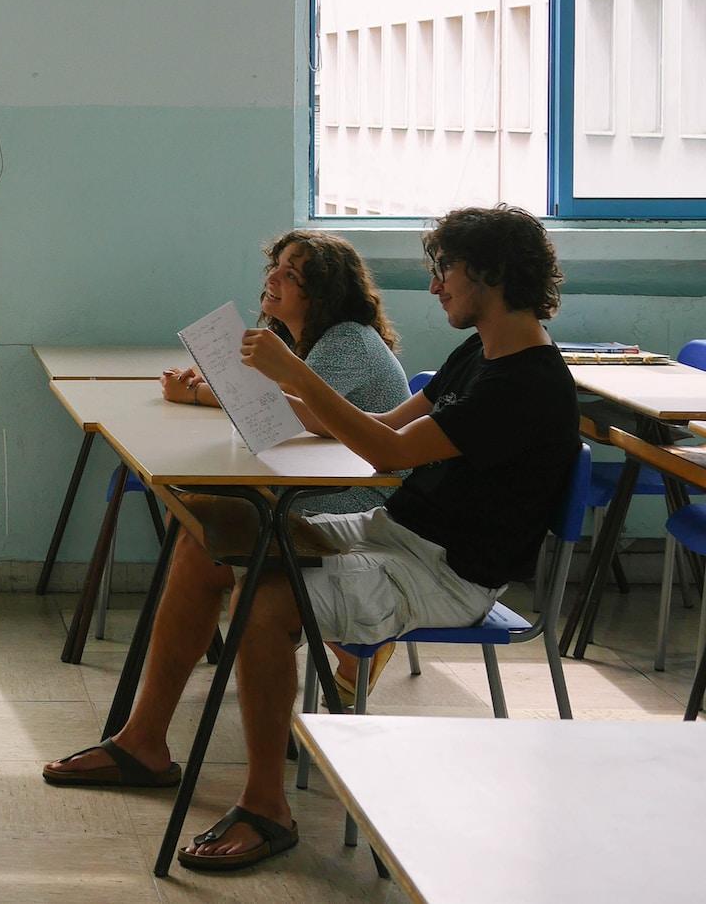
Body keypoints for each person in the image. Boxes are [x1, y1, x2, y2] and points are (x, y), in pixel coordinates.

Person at [43, 205, 577, 874]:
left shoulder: (525, 383)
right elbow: (381, 423)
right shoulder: (482, 351)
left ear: (492, 276)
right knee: (204, 533)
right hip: (395, 534)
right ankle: (144, 743)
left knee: (265, 601)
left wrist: (293, 375)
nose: (436, 285)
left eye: (446, 271)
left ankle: (267, 807)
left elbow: (387, 450)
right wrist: (249, 393)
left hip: (445, 575)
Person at [159, 229, 410, 698]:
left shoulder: (347, 341)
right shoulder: (298, 340)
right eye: (275, 265)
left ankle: (355, 645)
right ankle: (339, 646)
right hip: (330, 476)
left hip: (365, 495)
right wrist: (210, 381)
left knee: (224, 520)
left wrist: (194, 394)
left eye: (290, 274)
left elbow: (292, 413)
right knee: (203, 519)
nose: (273, 277)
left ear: (321, 293)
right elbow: (272, 402)